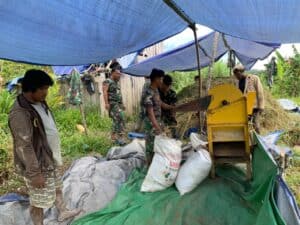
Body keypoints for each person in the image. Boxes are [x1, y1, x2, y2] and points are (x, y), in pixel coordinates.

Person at [8, 69, 81, 225]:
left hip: (49, 157)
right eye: (42, 88)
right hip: (38, 164)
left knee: (57, 187)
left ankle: (63, 211)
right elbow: (24, 146)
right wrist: (34, 173)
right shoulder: (20, 113)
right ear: (30, 88)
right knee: (38, 200)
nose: (46, 92)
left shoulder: (39, 102)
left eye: (47, 88)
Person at [140, 69, 174, 162]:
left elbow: (160, 103)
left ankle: (157, 164)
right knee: (151, 146)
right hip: (151, 123)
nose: (162, 81)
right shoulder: (148, 92)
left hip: (157, 120)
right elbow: (150, 113)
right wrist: (157, 127)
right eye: (161, 79)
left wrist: (171, 107)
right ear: (156, 79)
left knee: (159, 144)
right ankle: (149, 166)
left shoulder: (156, 91)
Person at [233, 64, 265, 133]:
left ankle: (258, 138)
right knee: (246, 125)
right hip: (244, 106)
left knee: (255, 124)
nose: (236, 77)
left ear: (241, 72)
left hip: (254, 106)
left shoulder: (254, 78)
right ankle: (249, 140)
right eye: (235, 75)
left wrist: (261, 106)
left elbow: (260, 92)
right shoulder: (238, 82)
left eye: (237, 74)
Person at [102, 62, 126, 145]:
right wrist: (106, 103)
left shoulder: (116, 83)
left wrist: (122, 104)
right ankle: (120, 137)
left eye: (120, 74)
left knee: (117, 120)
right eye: (118, 74)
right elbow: (104, 92)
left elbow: (119, 94)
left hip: (118, 104)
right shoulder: (107, 81)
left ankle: (114, 137)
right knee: (120, 118)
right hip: (112, 104)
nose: (119, 75)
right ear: (113, 73)